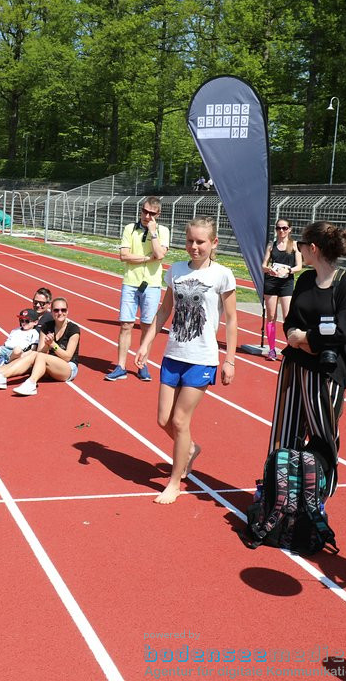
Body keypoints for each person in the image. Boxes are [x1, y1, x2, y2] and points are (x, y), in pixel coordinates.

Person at [134, 216, 237, 504]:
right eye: (190, 240)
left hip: (202, 359)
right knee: (163, 420)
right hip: (173, 355)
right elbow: (164, 311)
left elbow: (231, 320)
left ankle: (175, 481)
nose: (194, 246)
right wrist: (146, 343)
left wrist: (230, 360)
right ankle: (189, 449)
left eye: (200, 242)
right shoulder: (176, 271)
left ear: (213, 243)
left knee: (180, 420)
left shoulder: (222, 275)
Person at [267, 221, 346, 498]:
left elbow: (344, 330)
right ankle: (280, 491)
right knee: (286, 431)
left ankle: (317, 495)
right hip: (295, 366)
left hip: (327, 372)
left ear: (314, 249)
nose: (299, 249)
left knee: (323, 434)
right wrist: (299, 336)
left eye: (303, 245)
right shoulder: (306, 280)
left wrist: (306, 339)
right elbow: (291, 321)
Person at [105, 196, 170, 382]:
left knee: (147, 327)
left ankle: (142, 365)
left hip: (152, 285)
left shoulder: (163, 231)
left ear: (158, 215)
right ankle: (121, 366)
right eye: (144, 211)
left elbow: (159, 254)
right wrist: (146, 259)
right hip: (130, 283)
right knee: (126, 325)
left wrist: (153, 233)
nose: (146, 216)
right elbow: (123, 256)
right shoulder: (129, 228)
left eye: (151, 213)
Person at [0, 297, 81, 395]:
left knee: (39, 356)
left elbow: (67, 357)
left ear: (67, 311)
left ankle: (31, 383)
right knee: (34, 355)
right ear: (52, 311)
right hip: (50, 365)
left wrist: (53, 344)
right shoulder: (47, 326)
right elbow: (41, 352)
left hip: (68, 368)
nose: (60, 313)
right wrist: (47, 344)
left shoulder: (73, 329)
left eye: (63, 310)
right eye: (56, 310)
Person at [260, 218, 303, 361]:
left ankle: (289, 347)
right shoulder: (271, 245)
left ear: (289, 229)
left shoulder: (294, 245)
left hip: (286, 283)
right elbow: (264, 265)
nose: (281, 231)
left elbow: (299, 266)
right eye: (278, 228)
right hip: (271, 283)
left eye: (284, 228)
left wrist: (289, 270)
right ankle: (272, 349)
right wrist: (269, 269)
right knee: (271, 316)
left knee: (288, 317)